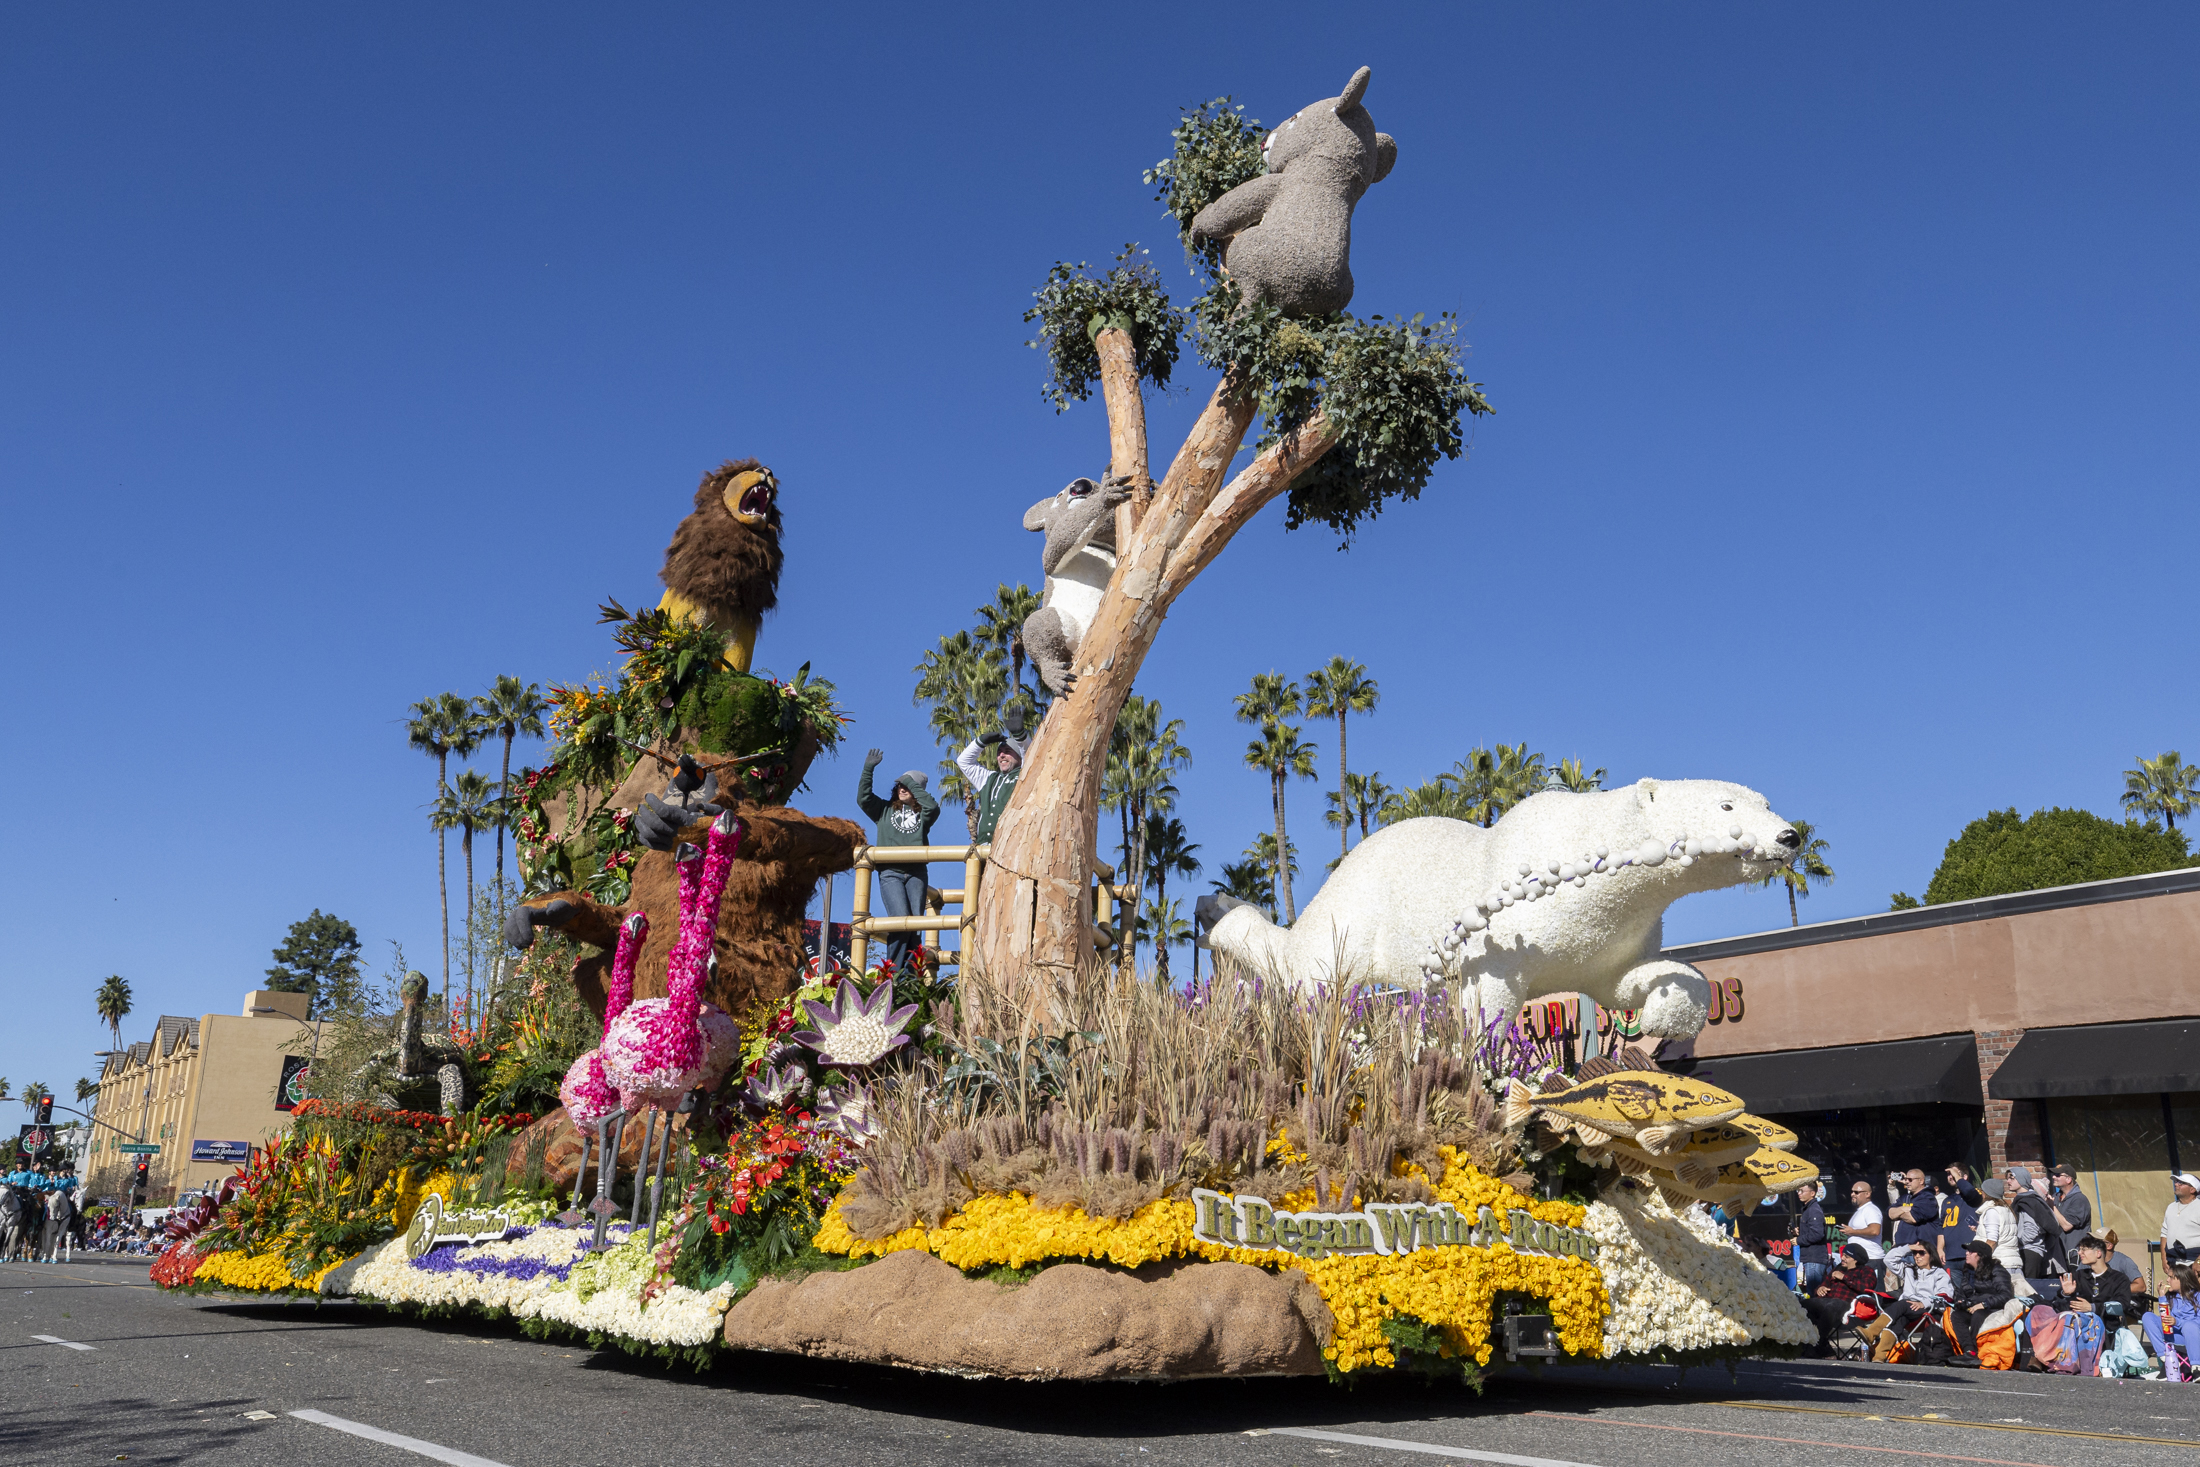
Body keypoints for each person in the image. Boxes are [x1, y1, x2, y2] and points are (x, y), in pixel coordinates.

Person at [856, 749, 941, 974]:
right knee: (899, 921)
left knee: (915, 927)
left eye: (908, 786)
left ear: (917, 790)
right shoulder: (884, 810)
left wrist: (910, 783)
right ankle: (892, 976)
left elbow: (933, 807)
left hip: (916, 874)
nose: (902, 788)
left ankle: (911, 979)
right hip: (890, 873)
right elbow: (863, 798)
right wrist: (868, 768)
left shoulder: (924, 815)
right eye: (900, 785)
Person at [954, 709, 1028, 846]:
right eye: (999, 752)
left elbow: (1031, 756)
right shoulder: (989, 778)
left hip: (1011, 845)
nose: (1001, 755)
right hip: (983, 847)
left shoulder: (1025, 774)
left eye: (1007, 751)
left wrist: (1020, 736)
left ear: (1019, 756)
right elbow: (963, 761)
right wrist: (981, 741)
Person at [1872, 1241, 1952, 1358]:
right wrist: (1909, 1247)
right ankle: (1880, 1355)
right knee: (1900, 1319)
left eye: (1921, 1253)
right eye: (1915, 1253)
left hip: (1927, 1312)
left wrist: (1923, 1303)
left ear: (1931, 1255)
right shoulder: (1909, 1269)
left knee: (1903, 1304)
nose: (1917, 1256)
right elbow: (1888, 1260)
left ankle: (1872, 1332)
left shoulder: (1939, 1273)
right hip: (1907, 1311)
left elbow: (1945, 1296)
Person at [1805, 1243, 1882, 1352]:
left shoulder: (1866, 1270)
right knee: (1804, 1304)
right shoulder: (1838, 1268)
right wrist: (1820, 1289)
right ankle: (1819, 1345)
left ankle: (1817, 1344)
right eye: (1843, 1255)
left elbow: (1866, 1287)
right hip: (1827, 1301)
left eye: (1847, 1256)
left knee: (1833, 1306)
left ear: (1856, 1259)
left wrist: (1844, 1277)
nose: (1842, 1258)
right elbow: (1823, 1284)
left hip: (1849, 1306)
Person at [2008, 1165, 2068, 1298]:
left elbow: (2031, 1230)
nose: (2008, 1181)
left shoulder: (2029, 1202)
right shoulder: (2023, 1200)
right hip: (2026, 1249)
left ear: (2021, 1179)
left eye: (2012, 1178)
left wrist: (2015, 1241)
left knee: (2029, 1291)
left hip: (2029, 1251)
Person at [1973, 1178, 2027, 1293]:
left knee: (2003, 1299)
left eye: (1982, 1191)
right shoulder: (2006, 1210)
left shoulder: (1992, 1211)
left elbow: (1992, 1241)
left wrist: (1982, 1261)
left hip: (2001, 1263)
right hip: (2012, 1261)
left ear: (1987, 1193)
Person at [2144, 1265, 2200, 1373]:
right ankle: (2165, 1357)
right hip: (2173, 1336)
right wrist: (2161, 1297)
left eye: (2171, 1277)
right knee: (2147, 1316)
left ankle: (2196, 1368)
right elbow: (2164, 1317)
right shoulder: (2171, 1296)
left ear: (2182, 1280)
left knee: (2189, 1326)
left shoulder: (2197, 1297)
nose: (2167, 1280)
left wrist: (2178, 1322)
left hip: (2191, 1337)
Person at [2064, 1234, 2133, 1319]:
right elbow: (2060, 1305)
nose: (2079, 1253)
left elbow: (2121, 1306)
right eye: (2079, 1249)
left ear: (2098, 1253)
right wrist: (2066, 1294)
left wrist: (2093, 1308)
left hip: (2107, 1325)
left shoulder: (2119, 1279)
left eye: (2083, 1249)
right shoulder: (2079, 1275)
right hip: (2079, 1323)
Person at [1889, 1167, 1939, 1264]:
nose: (1907, 1182)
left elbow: (1913, 1218)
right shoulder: (1905, 1198)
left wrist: (1898, 1213)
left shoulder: (1928, 1198)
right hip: (1903, 1250)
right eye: (1906, 1179)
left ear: (1921, 1181)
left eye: (1910, 1179)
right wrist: (1904, 1209)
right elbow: (1890, 1214)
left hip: (1921, 1252)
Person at [2047, 1163, 2093, 1263]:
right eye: (2054, 1174)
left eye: (2058, 1175)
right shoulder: (2055, 1197)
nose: (2053, 1177)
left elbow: (2067, 1225)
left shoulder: (2079, 1199)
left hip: (2077, 1256)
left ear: (2068, 1179)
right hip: (2059, 1255)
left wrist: (2052, 1207)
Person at [1937, 1162, 1980, 1269]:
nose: (1951, 1176)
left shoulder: (1975, 1195)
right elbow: (1941, 1227)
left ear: (1964, 1177)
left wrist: (1958, 1178)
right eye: (1948, 1174)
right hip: (1950, 1256)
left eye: (1954, 1173)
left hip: (1970, 1254)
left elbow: (1969, 1191)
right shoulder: (1947, 1200)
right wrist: (1940, 1249)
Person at [1795, 1181, 1832, 1289]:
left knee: (1815, 1292)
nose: (1799, 1193)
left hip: (1814, 1259)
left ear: (1812, 1193)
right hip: (1811, 1258)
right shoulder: (1808, 1209)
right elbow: (1812, 1231)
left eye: (1802, 1191)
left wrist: (1798, 1240)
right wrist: (1799, 1232)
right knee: (1814, 1291)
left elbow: (1817, 1234)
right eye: (1798, 1191)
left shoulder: (1813, 1210)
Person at [1845, 1177, 1886, 1268]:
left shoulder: (1871, 1209)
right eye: (1851, 1192)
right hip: (1860, 1260)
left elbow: (1875, 1231)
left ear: (1867, 1194)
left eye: (1856, 1192)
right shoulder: (1860, 1210)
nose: (1852, 1194)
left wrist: (1852, 1232)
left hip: (1871, 1259)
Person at [2163, 1172, 2200, 1271]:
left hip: (2194, 1262)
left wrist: (2198, 1262)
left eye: (2181, 1183)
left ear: (2192, 1189)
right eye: (2176, 1182)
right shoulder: (2171, 1207)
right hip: (2174, 1262)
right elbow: (2164, 1233)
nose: (2176, 1184)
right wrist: (2163, 1258)